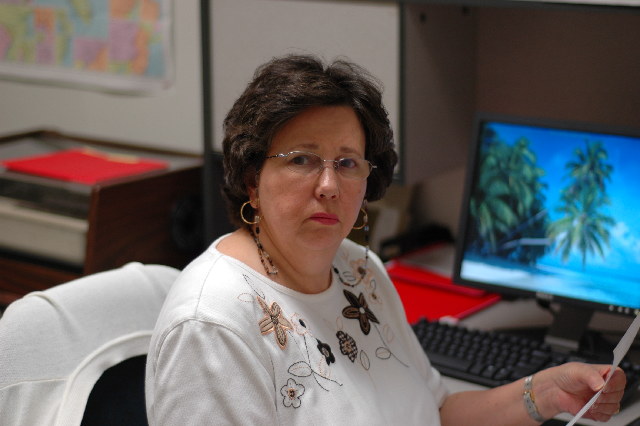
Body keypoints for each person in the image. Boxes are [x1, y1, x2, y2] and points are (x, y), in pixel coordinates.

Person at [145, 54, 625, 425]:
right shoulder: (211, 325)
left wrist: (545, 393)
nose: (329, 185)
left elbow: (435, 413)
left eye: (347, 163)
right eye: (302, 160)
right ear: (253, 179)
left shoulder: (359, 271)